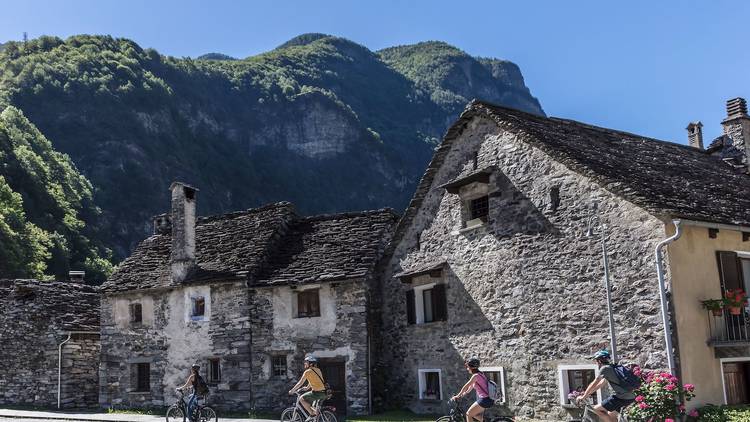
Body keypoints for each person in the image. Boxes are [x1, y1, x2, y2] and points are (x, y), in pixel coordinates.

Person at [576, 350, 636, 422]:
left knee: (596, 409)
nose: (596, 363)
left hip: (620, 397)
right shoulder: (612, 367)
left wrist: (583, 397)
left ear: (599, 361)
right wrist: (587, 394)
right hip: (629, 397)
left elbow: (594, 383)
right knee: (611, 415)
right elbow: (600, 384)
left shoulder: (604, 369)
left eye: (596, 361)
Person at [451, 357, 494, 422]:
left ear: (471, 367)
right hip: (488, 399)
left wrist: (458, 395)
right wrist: (463, 394)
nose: (467, 369)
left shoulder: (475, 376)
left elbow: (466, 386)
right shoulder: (481, 374)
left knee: (468, 414)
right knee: (476, 415)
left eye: (468, 367)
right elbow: (470, 387)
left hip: (484, 400)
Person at [289, 355, 327, 421]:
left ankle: (312, 415)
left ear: (311, 364)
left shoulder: (307, 372)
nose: (305, 363)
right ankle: (315, 416)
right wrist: (306, 388)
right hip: (323, 392)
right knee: (311, 405)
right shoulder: (318, 370)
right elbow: (314, 380)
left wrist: (292, 390)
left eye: (306, 362)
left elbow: (300, 383)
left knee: (301, 399)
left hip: (317, 393)